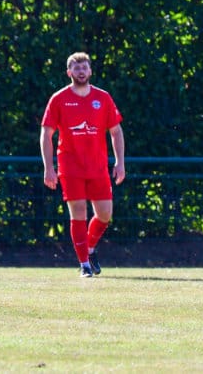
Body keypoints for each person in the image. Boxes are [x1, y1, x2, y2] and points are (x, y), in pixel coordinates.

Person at [40, 52, 125, 278]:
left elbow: (116, 131)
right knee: (78, 212)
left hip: (98, 167)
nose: (81, 71)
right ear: (69, 72)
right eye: (76, 68)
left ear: (90, 71)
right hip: (70, 166)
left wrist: (120, 162)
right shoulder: (59, 99)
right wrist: (48, 167)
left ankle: (89, 248)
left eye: (84, 68)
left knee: (105, 214)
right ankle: (84, 265)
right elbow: (46, 134)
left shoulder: (103, 97)